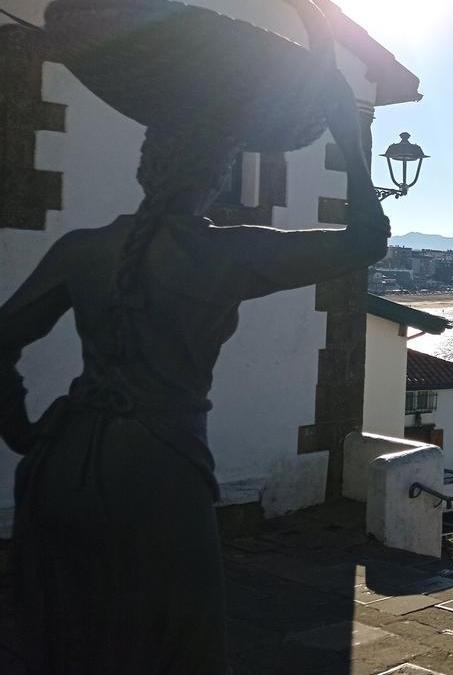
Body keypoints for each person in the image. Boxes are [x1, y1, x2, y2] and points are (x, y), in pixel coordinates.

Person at [0, 3, 386, 672]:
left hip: (64, 466)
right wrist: (345, 132)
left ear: (150, 163)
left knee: (70, 640)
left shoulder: (81, 249)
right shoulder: (226, 255)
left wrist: (25, 432)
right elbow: (366, 240)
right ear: (213, 173)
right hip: (159, 477)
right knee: (178, 648)